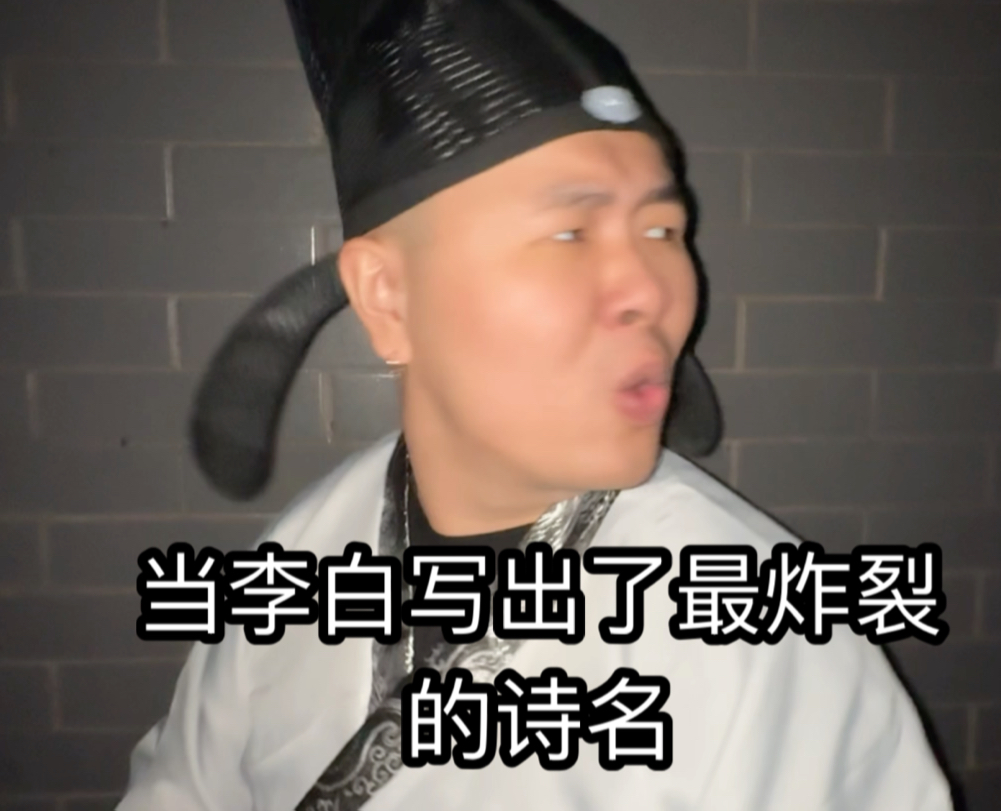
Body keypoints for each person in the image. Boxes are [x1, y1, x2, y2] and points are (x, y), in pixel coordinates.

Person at [118, 1, 954, 808]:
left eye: (663, 231)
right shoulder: (304, 556)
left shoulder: (768, 645)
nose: (652, 290)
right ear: (388, 297)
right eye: (568, 233)